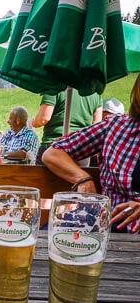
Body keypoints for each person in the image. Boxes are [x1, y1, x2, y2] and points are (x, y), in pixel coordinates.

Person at [42, 74, 140, 234]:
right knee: (51, 235)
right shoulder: (117, 126)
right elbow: (52, 153)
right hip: (107, 226)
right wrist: (82, 178)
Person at [31, 88, 102, 165]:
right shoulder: (95, 94)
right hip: (81, 150)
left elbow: (43, 119)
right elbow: (96, 126)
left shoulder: (54, 88)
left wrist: (33, 122)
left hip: (53, 147)